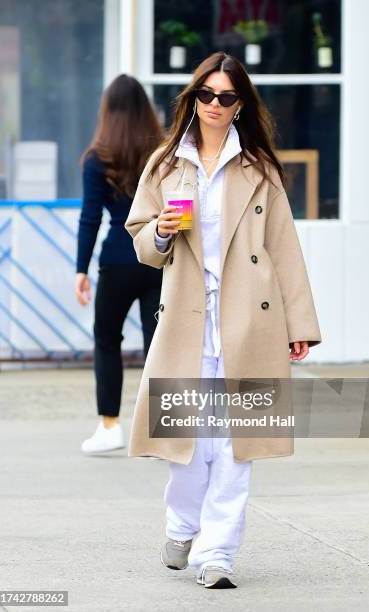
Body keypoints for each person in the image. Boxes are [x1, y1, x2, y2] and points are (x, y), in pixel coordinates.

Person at [125, 52, 322, 589]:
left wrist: (298, 323)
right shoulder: (166, 163)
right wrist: (162, 230)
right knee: (188, 442)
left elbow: (285, 249)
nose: (215, 104)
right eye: (206, 95)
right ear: (193, 100)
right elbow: (141, 241)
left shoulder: (260, 169)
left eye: (227, 97)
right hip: (187, 317)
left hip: (250, 319)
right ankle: (182, 523)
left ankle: (217, 555)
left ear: (241, 105)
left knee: (238, 444)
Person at [76, 74, 164, 454]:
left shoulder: (98, 158)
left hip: (117, 258)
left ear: (108, 111)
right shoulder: (164, 153)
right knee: (160, 344)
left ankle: (110, 426)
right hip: (160, 255)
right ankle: (165, 431)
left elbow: (90, 217)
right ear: (146, 110)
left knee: (107, 340)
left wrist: (81, 268)